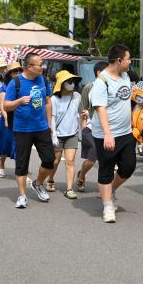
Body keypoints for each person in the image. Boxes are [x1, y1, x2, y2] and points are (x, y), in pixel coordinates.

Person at [90, 44, 135, 223]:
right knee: (106, 168)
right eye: (128, 59)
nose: (130, 62)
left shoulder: (126, 76)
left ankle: (110, 190)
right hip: (106, 134)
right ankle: (107, 205)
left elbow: (125, 99)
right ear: (118, 61)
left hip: (125, 132)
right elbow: (100, 109)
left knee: (128, 166)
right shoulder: (102, 81)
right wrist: (108, 134)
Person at [3, 53, 54, 209]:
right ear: (30, 67)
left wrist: (49, 124)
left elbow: (47, 102)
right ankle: (22, 195)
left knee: (49, 160)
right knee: (22, 163)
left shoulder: (44, 80)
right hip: (22, 129)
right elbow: (6, 105)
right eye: (40, 64)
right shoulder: (16, 82)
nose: (42, 67)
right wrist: (19, 101)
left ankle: (38, 184)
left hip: (41, 127)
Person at [47, 70, 84, 199]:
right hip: (58, 134)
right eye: (69, 81)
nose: (72, 84)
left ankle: (69, 188)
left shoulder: (77, 96)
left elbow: (80, 113)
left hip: (72, 133)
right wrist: (54, 136)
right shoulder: (54, 99)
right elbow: (52, 118)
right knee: (55, 160)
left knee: (70, 161)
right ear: (61, 83)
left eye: (73, 81)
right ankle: (50, 179)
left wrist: (84, 120)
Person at [76, 61, 107, 192]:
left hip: (108, 129)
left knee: (106, 161)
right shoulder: (89, 87)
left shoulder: (111, 87)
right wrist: (84, 128)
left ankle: (105, 188)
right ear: (99, 73)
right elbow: (83, 109)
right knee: (91, 159)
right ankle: (81, 175)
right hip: (92, 128)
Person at [0, 62, 22, 179]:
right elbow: (2, 105)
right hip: (8, 118)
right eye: (15, 71)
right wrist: (6, 118)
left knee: (20, 145)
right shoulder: (4, 86)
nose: (18, 73)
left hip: (20, 118)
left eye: (19, 70)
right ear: (9, 74)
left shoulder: (23, 84)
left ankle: (19, 170)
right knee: (5, 144)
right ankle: (1, 166)